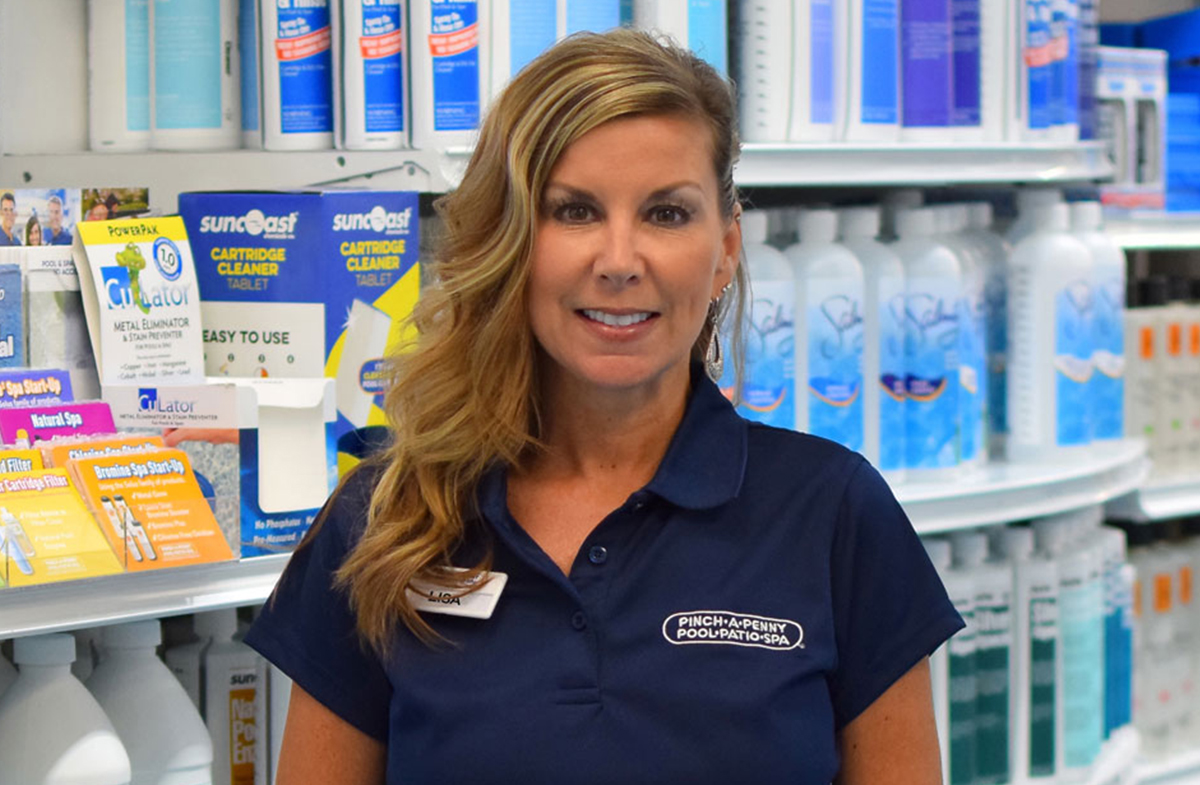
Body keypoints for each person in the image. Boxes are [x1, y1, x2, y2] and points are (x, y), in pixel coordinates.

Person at [246, 29, 963, 785]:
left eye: (666, 214)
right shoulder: (386, 520)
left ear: (725, 249)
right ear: (509, 240)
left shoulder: (832, 515)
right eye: (575, 211)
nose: (619, 261)